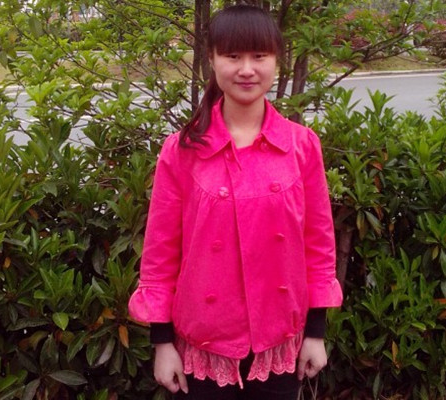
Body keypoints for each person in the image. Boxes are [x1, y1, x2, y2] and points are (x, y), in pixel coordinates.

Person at [128, 4, 343, 399]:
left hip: (281, 342)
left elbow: (318, 245)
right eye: (232, 56)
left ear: (277, 61)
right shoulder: (182, 150)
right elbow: (161, 251)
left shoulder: (301, 146)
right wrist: (162, 343)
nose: (246, 69)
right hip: (203, 343)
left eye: (259, 56)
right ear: (211, 60)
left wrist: (316, 333)